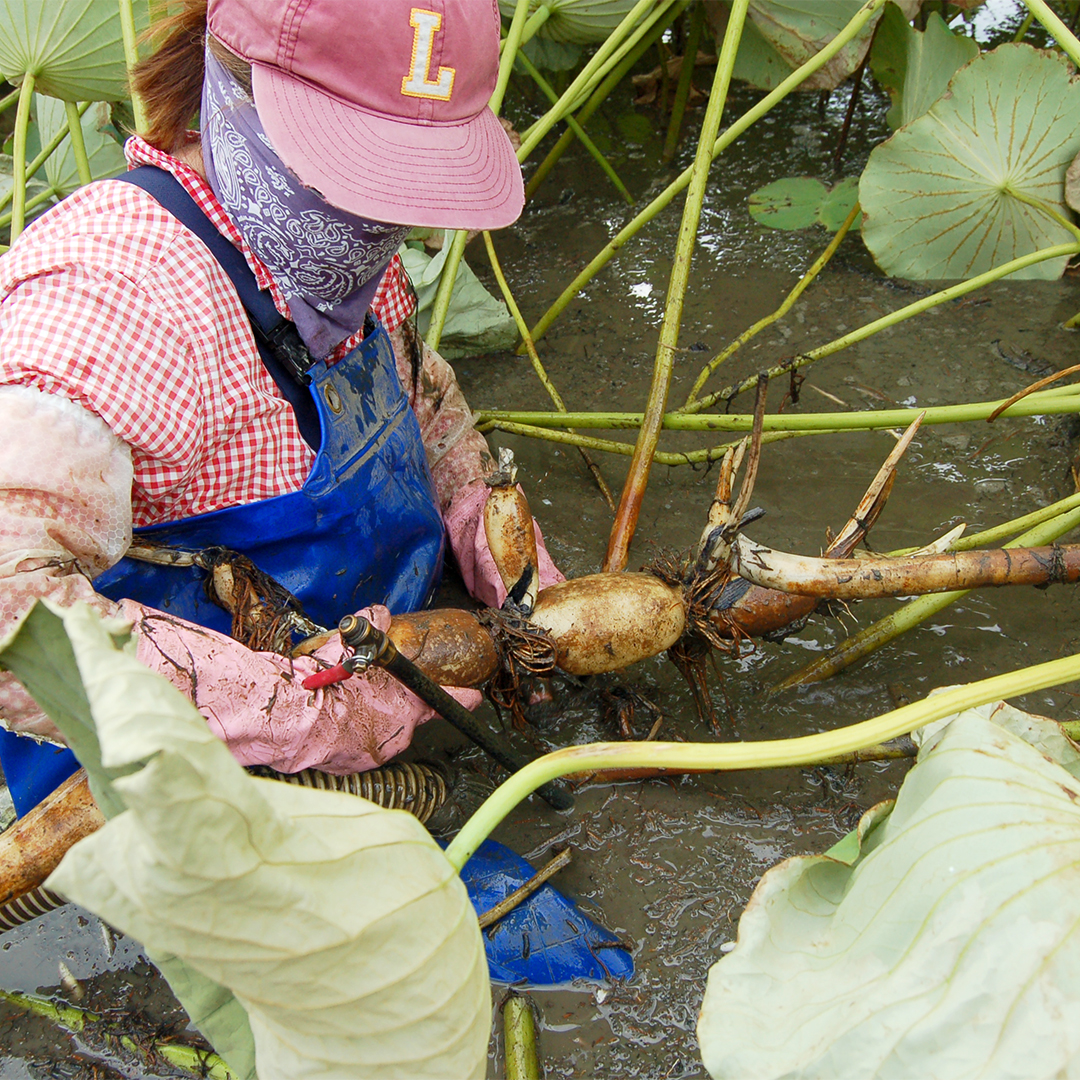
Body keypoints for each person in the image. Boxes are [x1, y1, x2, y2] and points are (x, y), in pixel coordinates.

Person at [0, 0, 562, 816]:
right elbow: (12, 620)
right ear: (232, 89)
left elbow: (417, 390)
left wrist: (482, 509)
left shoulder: (326, 251)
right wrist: (297, 709)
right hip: (186, 781)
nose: (393, 217)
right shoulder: (113, 299)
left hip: (397, 686)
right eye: (367, 170)